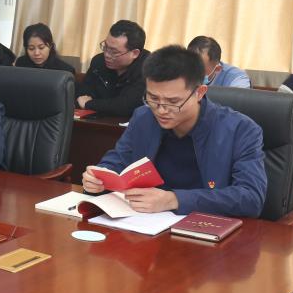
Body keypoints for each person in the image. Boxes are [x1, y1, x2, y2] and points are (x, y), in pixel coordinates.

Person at [82, 44, 266, 218]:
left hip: (205, 228)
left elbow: (251, 198)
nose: (161, 110)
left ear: (200, 92)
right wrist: (99, 177)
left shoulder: (240, 130)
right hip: (144, 223)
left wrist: (174, 199)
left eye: (173, 102)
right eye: (153, 98)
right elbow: (118, 160)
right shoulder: (143, 118)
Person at [78, 20, 147, 117]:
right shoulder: (99, 62)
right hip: (97, 121)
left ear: (135, 53)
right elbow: (83, 94)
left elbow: (125, 106)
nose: (106, 55)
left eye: (114, 52)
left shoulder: (148, 69)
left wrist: (89, 104)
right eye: (105, 47)